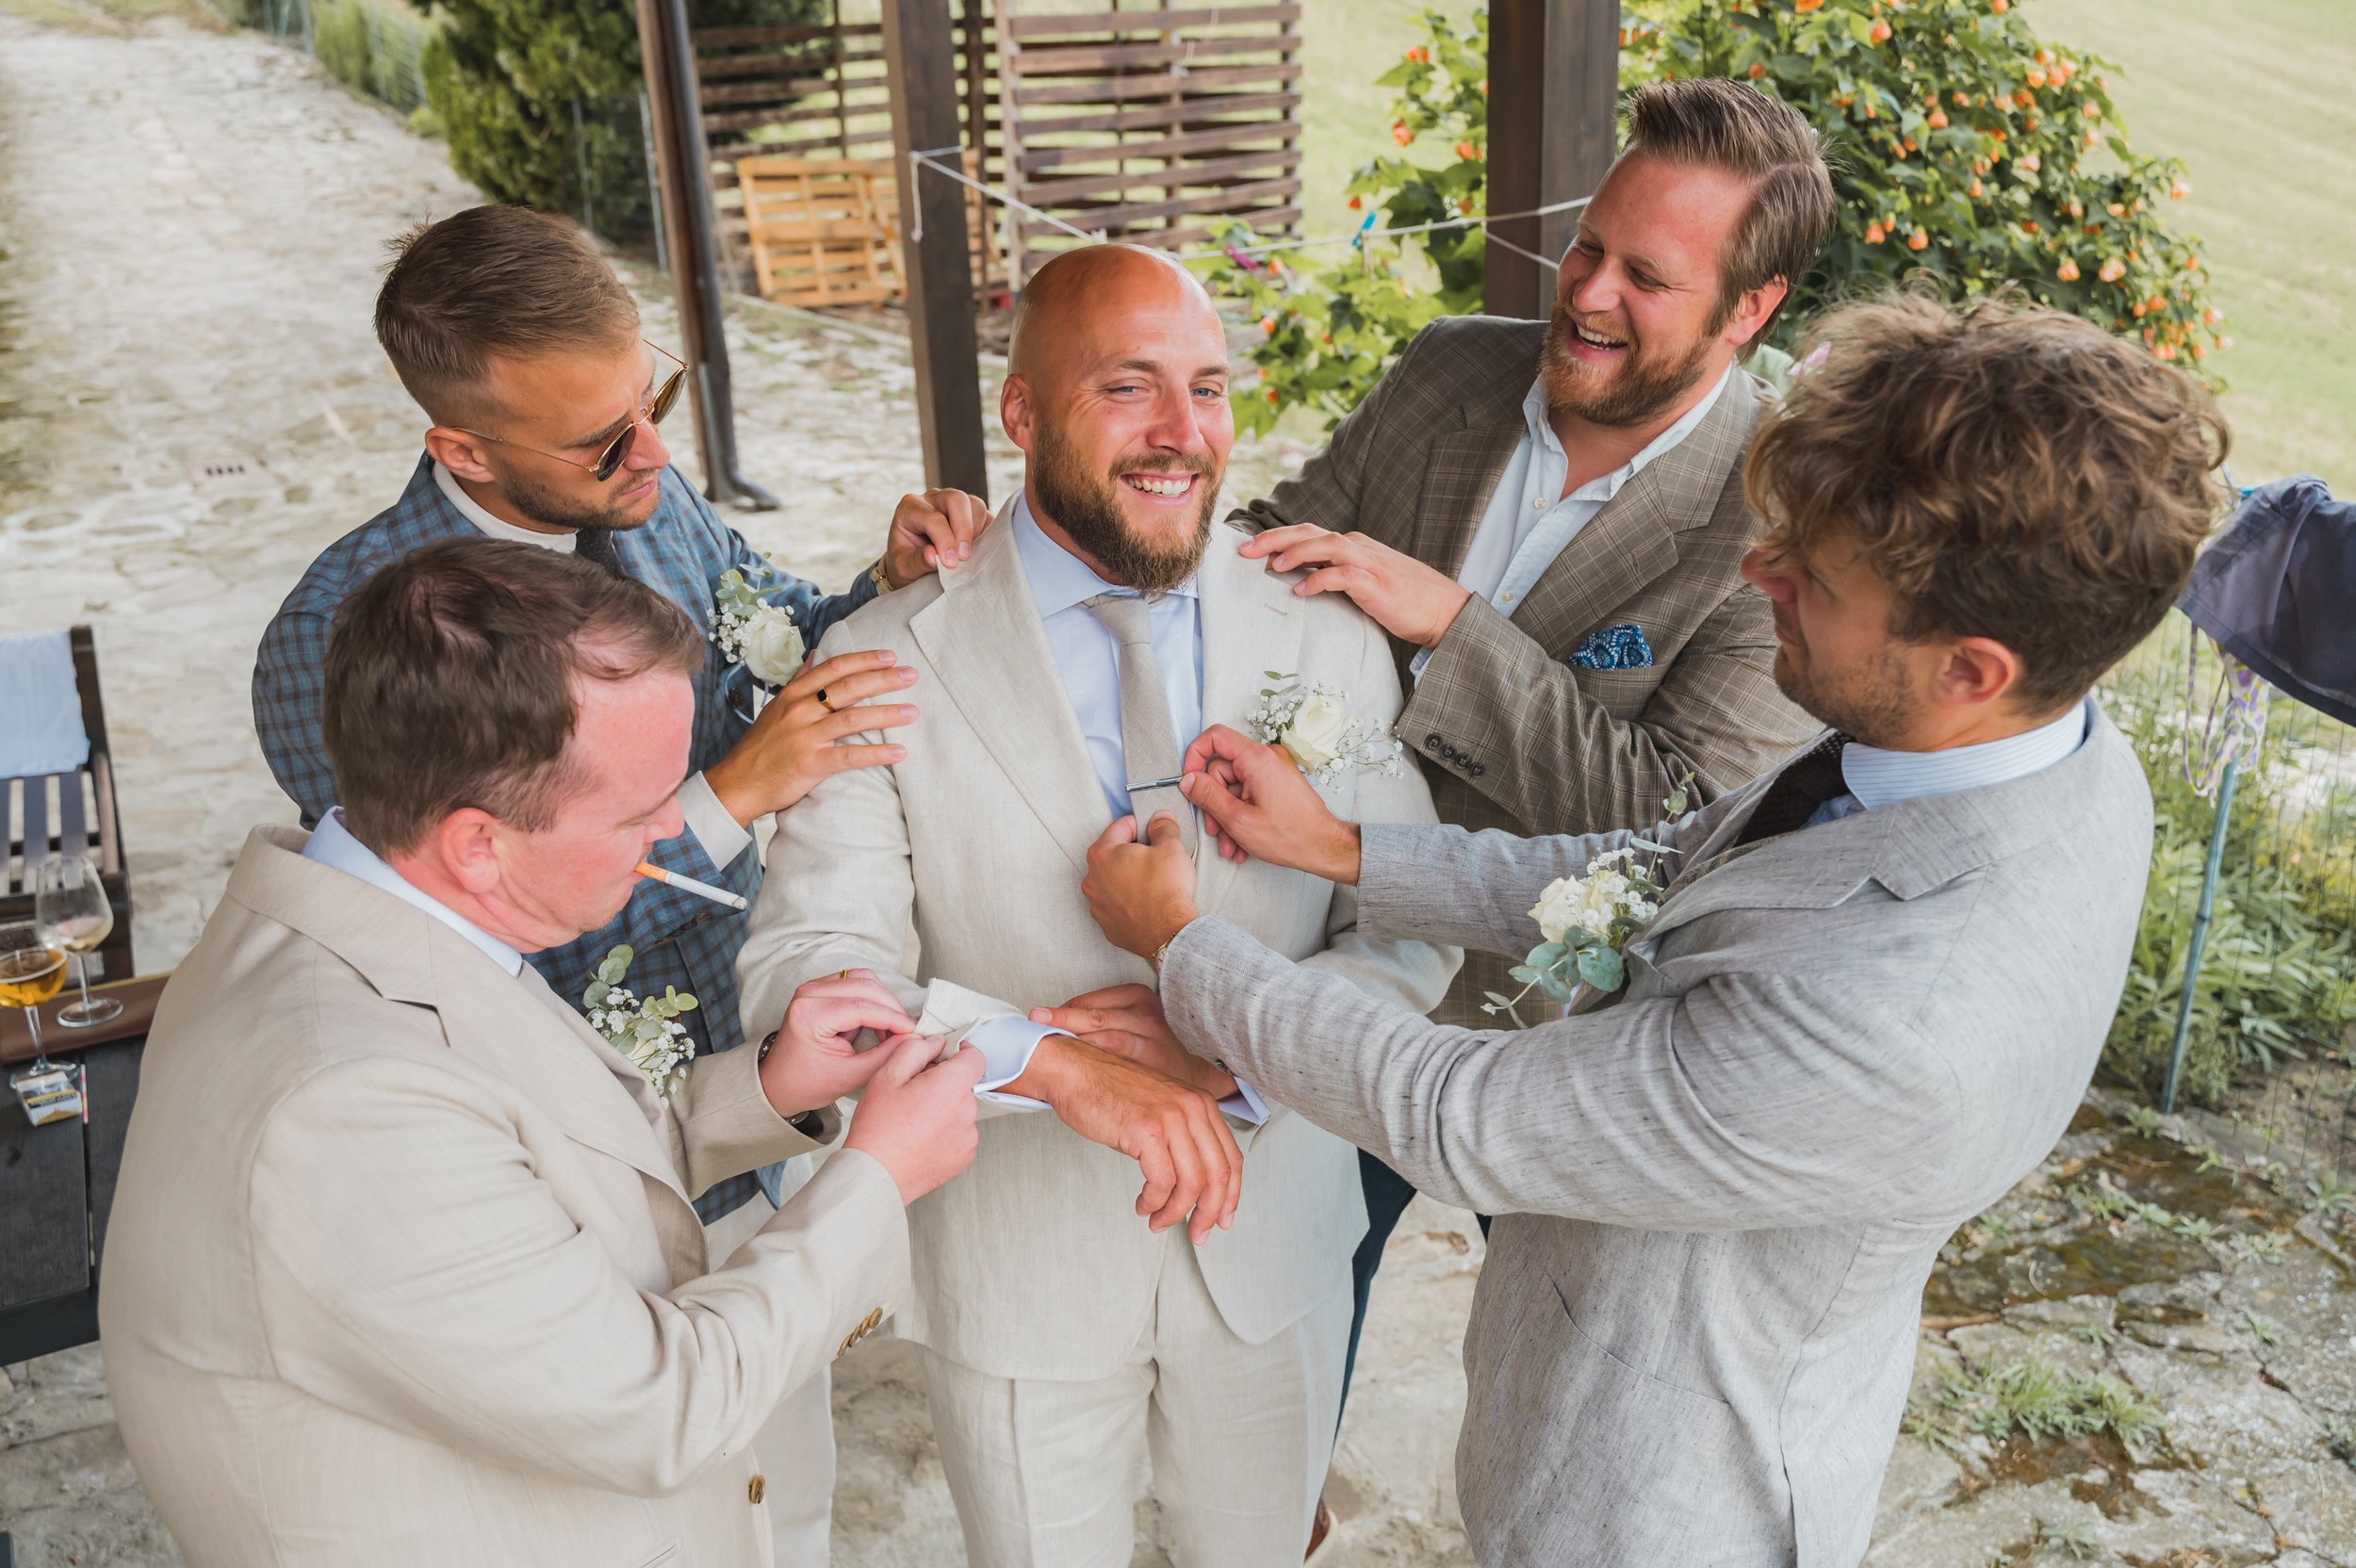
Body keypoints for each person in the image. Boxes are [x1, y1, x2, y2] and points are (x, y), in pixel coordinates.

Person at [1070, 294, 2229, 1565]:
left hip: (1652, 1503)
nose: (1756, 573)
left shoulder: (1899, 1025)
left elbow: (1462, 1114)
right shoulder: (2027, 748)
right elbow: (1668, 867)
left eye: (1813, 578)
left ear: (1974, 667)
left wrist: (1183, 946)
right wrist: (1346, 850)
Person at [249, 204, 986, 1558]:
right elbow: (454, 937)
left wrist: (869, 587)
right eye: (602, 437)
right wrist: (726, 800)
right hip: (546, 1147)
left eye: (652, 400)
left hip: (754, 1077)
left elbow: (767, 643)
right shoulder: (340, 641)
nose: (651, 450)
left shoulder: (647, 488)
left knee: (786, 1472)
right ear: (459, 446)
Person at [734, 243, 1457, 1567]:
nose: (1186, 436)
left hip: (1276, 1236)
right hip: (1016, 1271)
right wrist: (1049, 1064)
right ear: (1022, 416)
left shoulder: (1324, 631)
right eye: (1130, 389)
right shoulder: (884, 653)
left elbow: (1404, 936)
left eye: (1210, 388)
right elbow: (805, 971)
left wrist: (1237, 1054)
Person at [101, 538, 989, 1567]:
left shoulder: (375, 907)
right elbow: (661, 1407)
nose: (673, 827)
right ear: (479, 840)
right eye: (637, 808)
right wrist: (878, 1176)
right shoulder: (342, 1107)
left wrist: (766, 1086)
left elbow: (521, 1161)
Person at [1221, 77, 1836, 1395]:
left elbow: (1677, 823)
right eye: (1587, 247)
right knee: (1278, 1322)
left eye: (1647, 279)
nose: (1589, 294)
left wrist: (1456, 627)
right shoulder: (1454, 364)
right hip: (1323, 952)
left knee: (1586, 1387)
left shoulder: (1780, 519)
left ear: (1752, 309)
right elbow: (1274, 544)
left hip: (1566, 1038)